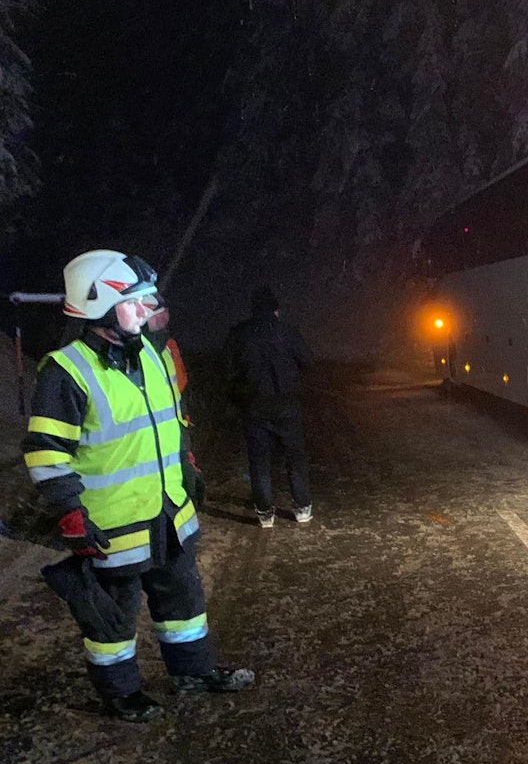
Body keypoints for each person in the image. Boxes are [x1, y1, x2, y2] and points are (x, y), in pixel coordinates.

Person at [22, 249, 255, 722]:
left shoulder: (151, 352)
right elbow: (46, 452)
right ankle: (121, 693)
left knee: (184, 600)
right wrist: (69, 513)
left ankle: (194, 672)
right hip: (113, 526)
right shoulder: (64, 372)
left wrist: (188, 464)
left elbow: (173, 417)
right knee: (113, 618)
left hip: (167, 513)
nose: (147, 310)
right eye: (135, 301)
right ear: (100, 309)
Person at [224, 285, 313, 528]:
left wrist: (238, 396)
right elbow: (307, 360)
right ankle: (302, 508)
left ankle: (265, 514)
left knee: (259, 460)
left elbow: (229, 369)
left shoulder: (240, 334)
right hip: (287, 404)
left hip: (254, 406)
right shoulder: (287, 331)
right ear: (276, 309)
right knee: (295, 456)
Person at [142, 291, 205, 509]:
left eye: (165, 312)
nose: (164, 316)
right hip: (152, 428)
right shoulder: (139, 349)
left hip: (175, 423)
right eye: (158, 312)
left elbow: (180, 382)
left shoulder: (167, 345)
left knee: (184, 474)